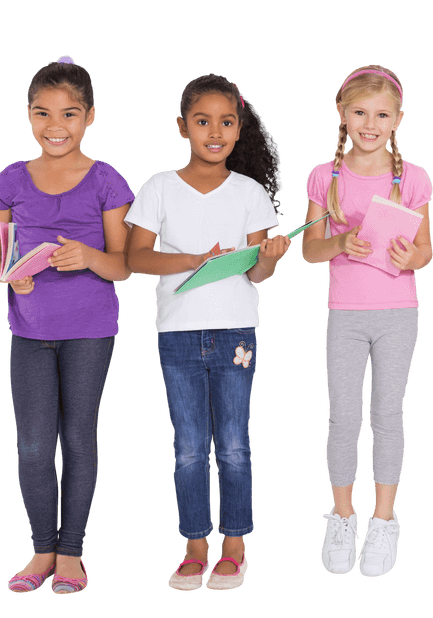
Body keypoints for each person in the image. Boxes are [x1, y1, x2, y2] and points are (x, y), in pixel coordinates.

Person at [125, 73, 290, 592]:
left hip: (237, 332)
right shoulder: (159, 187)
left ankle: (235, 547)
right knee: (189, 448)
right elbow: (135, 257)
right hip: (178, 335)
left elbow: (256, 274)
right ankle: (195, 547)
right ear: (182, 127)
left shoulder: (250, 192)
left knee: (234, 445)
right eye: (202, 122)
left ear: (239, 130)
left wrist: (268, 259)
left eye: (225, 122)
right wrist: (196, 259)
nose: (214, 132)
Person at [0, 55, 134, 596]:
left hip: (91, 331)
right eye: (42, 113)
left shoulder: (107, 179)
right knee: (34, 445)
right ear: (28, 116)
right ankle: (41, 549)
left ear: (90, 117)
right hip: (29, 332)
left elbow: (123, 264)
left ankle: (72, 554)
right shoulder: (11, 179)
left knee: (77, 438)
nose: (56, 126)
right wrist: (8, 276)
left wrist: (88, 256)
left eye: (69, 114)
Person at [303, 65, 433, 579]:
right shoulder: (323, 176)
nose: (370, 123)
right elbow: (311, 251)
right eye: (360, 112)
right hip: (345, 314)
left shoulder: (414, 178)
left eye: (382, 114)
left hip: (399, 313)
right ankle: (341, 515)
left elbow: (426, 250)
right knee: (342, 415)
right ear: (342, 113)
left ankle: (383, 519)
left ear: (399, 119)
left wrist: (409, 258)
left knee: (387, 415)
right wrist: (339, 242)